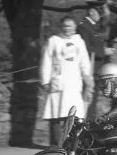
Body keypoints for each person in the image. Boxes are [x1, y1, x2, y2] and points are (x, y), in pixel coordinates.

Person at [40, 16, 94, 147]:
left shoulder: (79, 41)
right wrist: (45, 81)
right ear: (61, 27)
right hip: (58, 83)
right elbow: (46, 61)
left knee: (73, 115)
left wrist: (88, 78)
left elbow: (84, 61)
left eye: (70, 26)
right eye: (65, 26)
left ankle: (72, 144)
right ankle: (56, 145)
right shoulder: (53, 41)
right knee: (56, 115)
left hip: (74, 84)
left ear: (75, 27)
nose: (67, 29)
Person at [77, 2, 114, 117]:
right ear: (92, 11)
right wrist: (103, 52)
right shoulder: (84, 26)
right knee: (87, 99)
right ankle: (82, 125)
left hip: (95, 68)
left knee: (92, 100)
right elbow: (85, 49)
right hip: (89, 69)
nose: (101, 16)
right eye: (100, 13)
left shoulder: (91, 25)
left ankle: (87, 124)